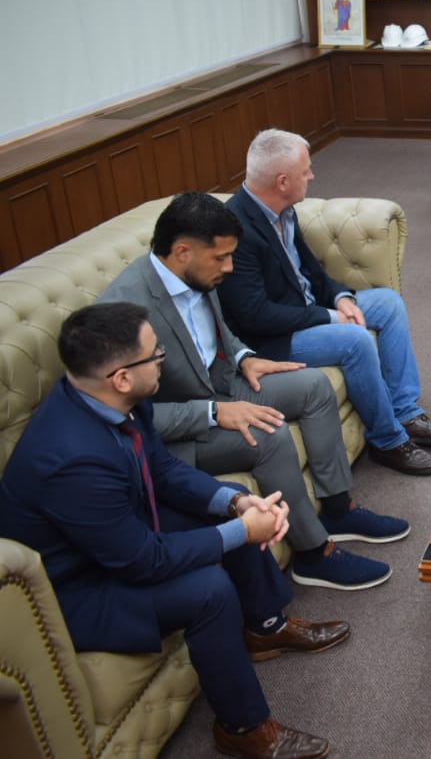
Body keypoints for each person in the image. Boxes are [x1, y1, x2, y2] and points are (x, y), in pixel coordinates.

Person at [0, 303, 347, 758]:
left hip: (117, 535)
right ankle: (242, 728)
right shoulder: (72, 461)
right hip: (77, 588)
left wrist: (236, 505)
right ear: (122, 378)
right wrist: (244, 531)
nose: (163, 357)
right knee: (208, 590)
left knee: (226, 504)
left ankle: (266, 627)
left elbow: (161, 469)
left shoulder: (115, 400)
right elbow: (143, 561)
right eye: (155, 353)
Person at [100, 192, 407, 591]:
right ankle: (313, 554)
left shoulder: (197, 272)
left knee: (314, 386)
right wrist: (213, 412)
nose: (229, 267)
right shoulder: (123, 313)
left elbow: (216, 329)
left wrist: (244, 356)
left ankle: (337, 509)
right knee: (269, 435)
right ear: (182, 252)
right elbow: (125, 418)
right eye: (221, 258)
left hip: (224, 383)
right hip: (179, 428)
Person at [217, 129, 431, 477]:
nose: (312, 176)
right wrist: (329, 317)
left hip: (307, 310)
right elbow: (256, 316)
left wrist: (340, 297)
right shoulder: (236, 229)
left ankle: (406, 412)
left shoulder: (284, 210)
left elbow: (310, 272)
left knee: (388, 303)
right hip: (274, 338)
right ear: (282, 181)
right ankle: (387, 441)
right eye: (306, 171)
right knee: (355, 340)